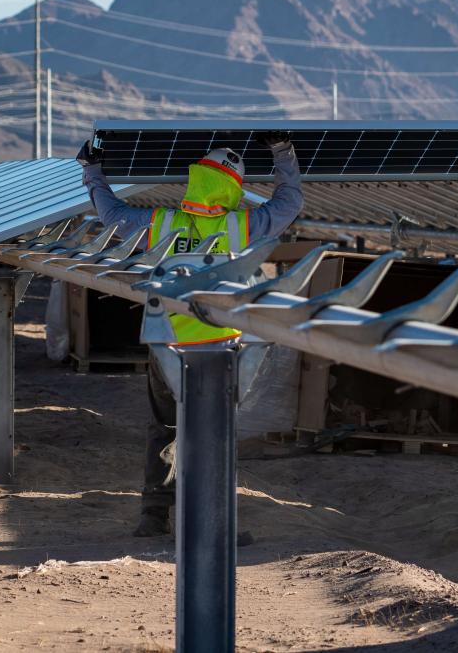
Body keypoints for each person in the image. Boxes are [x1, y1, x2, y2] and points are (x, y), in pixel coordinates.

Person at [77, 132, 304, 536]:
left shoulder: (162, 222)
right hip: (220, 348)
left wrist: (92, 170)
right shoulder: (245, 225)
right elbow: (290, 202)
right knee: (213, 431)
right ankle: (214, 523)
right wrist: (282, 152)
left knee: (164, 427)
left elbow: (112, 216)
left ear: (197, 179)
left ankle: (153, 514)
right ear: (233, 188)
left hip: (167, 342)